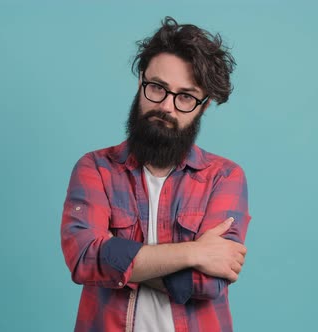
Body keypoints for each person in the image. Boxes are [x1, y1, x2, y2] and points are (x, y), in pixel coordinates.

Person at [61, 16, 251, 332]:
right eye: (157, 88)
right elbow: (84, 258)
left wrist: (116, 260)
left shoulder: (224, 177)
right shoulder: (95, 168)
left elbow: (209, 282)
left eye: (186, 97)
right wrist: (194, 252)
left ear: (203, 106)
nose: (166, 106)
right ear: (140, 83)